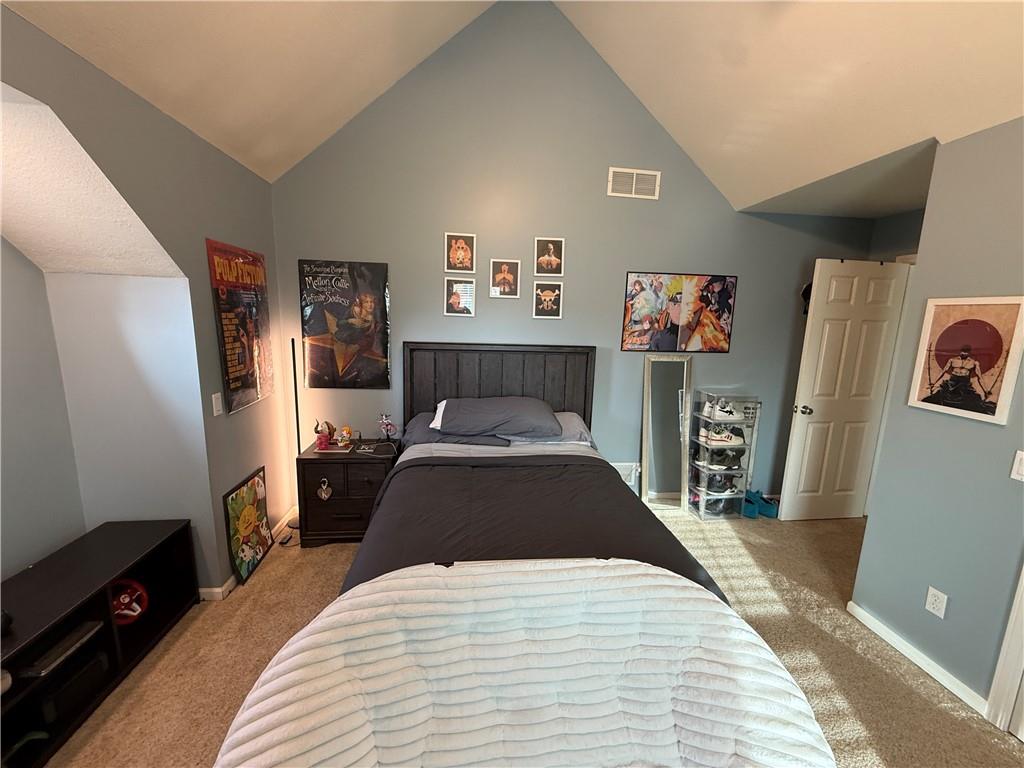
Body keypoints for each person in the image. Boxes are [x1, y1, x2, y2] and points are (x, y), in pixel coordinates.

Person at [923, 345, 994, 414]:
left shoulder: (974, 362)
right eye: (963, 351)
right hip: (952, 383)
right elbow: (943, 372)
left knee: (973, 402)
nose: (964, 353)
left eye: (966, 352)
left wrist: (985, 390)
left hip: (964, 384)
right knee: (938, 397)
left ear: (969, 352)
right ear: (960, 351)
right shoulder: (952, 360)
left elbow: (979, 377)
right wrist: (934, 383)